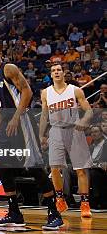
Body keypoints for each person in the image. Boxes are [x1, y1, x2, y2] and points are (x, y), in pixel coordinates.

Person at [0, 41, 63, 230]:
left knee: (33, 165)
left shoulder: (8, 68)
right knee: (2, 168)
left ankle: (54, 212)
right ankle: (14, 212)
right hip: (5, 124)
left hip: (21, 120)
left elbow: (27, 91)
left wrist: (15, 117)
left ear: (1, 52)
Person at [39, 63, 93, 218]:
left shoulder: (75, 90)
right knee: (54, 169)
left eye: (59, 70)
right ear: (51, 74)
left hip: (74, 130)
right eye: (53, 70)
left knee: (80, 169)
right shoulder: (46, 93)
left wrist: (84, 121)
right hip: (55, 131)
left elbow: (88, 110)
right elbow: (43, 115)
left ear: (64, 73)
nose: (56, 72)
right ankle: (60, 198)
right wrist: (41, 135)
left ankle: (84, 203)